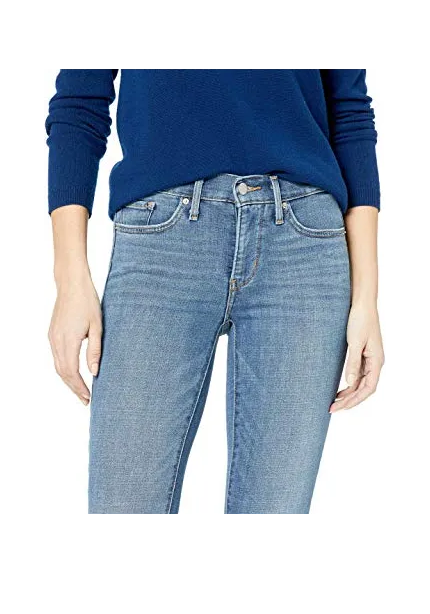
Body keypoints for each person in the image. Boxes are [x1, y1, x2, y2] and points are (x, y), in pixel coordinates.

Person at [46, 67, 384, 518]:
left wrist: (367, 299)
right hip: (162, 238)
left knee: (273, 524)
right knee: (122, 514)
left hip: (303, 242)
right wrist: (70, 279)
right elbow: (78, 102)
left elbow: (349, 111)